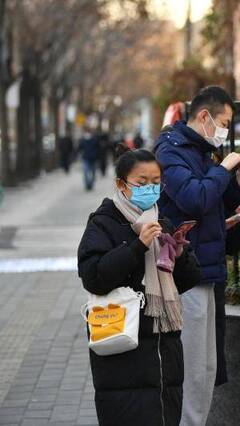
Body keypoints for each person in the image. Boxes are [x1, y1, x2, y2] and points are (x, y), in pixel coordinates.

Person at [154, 85, 240, 426]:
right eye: (224, 122)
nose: (225, 131)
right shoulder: (170, 151)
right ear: (204, 116)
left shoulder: (202, 152)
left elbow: (213, 199)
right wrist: (225, 166)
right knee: (193, 366)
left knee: (208, 366)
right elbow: (196, 197)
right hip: (187, 273)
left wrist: (239, 184)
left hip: (209, 271)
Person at [77, 146, 202, 425]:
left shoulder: (162, 222)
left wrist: (179, 255)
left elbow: (188, 280)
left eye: (156, 183)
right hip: (124, 349)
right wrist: (138, 246)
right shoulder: (103, 223)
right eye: (142, 183)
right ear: (121, 184)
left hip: (164, 351)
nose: (150, 189)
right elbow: (94, 276)